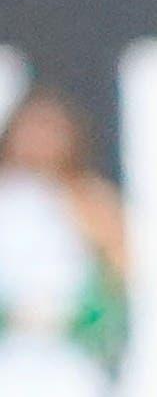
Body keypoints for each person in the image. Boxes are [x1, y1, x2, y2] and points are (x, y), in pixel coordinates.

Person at [0, 90, 125, 397]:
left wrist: (83, 317)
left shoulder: (90, 200)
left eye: (51, 130)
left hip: (69, 359)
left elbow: (117, 277)